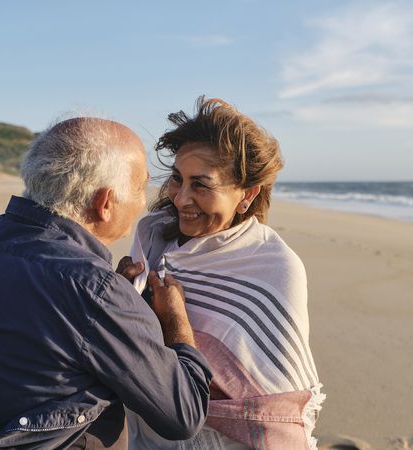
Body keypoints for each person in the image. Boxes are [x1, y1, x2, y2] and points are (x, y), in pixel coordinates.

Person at [0, 118, 213, 450]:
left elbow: (35, 334)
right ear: (105, 203)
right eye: (141, 187)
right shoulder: (94, 291)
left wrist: (113, 304)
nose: (143, 202)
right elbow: (184, 414)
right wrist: (174, 319)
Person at [126, 98, 325, 450]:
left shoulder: (273, 267)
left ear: (246, 194)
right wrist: (120, 297)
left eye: (201, 185)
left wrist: (174, 320)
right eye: (177, 179)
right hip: (146, 432)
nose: (181, 198)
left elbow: (271, 403)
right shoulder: (153, 240)